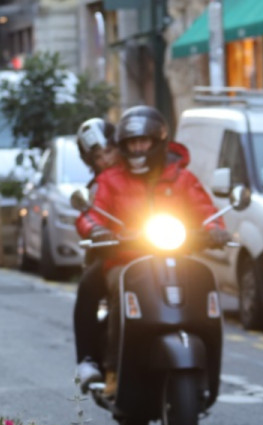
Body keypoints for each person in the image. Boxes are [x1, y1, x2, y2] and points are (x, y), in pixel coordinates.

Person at [75, 106, 231, 387]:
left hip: (177, 258)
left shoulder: (182, 178)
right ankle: (111, 369)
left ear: (158, 142)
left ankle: (207, 366)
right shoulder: (110, 180)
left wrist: (216, 230)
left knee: (203, 281)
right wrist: (95, 229)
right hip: (125, 260)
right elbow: (91, 213)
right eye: (132, 143)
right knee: (116, 289)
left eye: (143, 142)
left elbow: (206, 210)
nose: (137, 149)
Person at [72, 118, 121, 392]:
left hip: (158, 249)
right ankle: (87, 360)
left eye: (109, 151)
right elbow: (86, 217)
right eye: (97, 156)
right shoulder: (98, 185)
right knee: (87, 287)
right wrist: (97, 230)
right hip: (114, 254)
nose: (105, 159)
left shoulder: (143, 173)